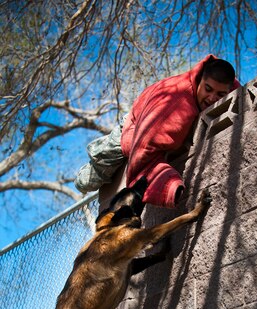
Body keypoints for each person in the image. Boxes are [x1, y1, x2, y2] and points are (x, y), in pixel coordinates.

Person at [75, 54, 240, 207]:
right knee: (86, 182)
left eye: (220, 94)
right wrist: (168, 186)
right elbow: (142, 154)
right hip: (132, 128)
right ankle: (88, 168)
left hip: (150, 116)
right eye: (208, 89)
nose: (212, 98)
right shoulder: (174, 109)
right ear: (201, 79)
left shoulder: (226, 84)